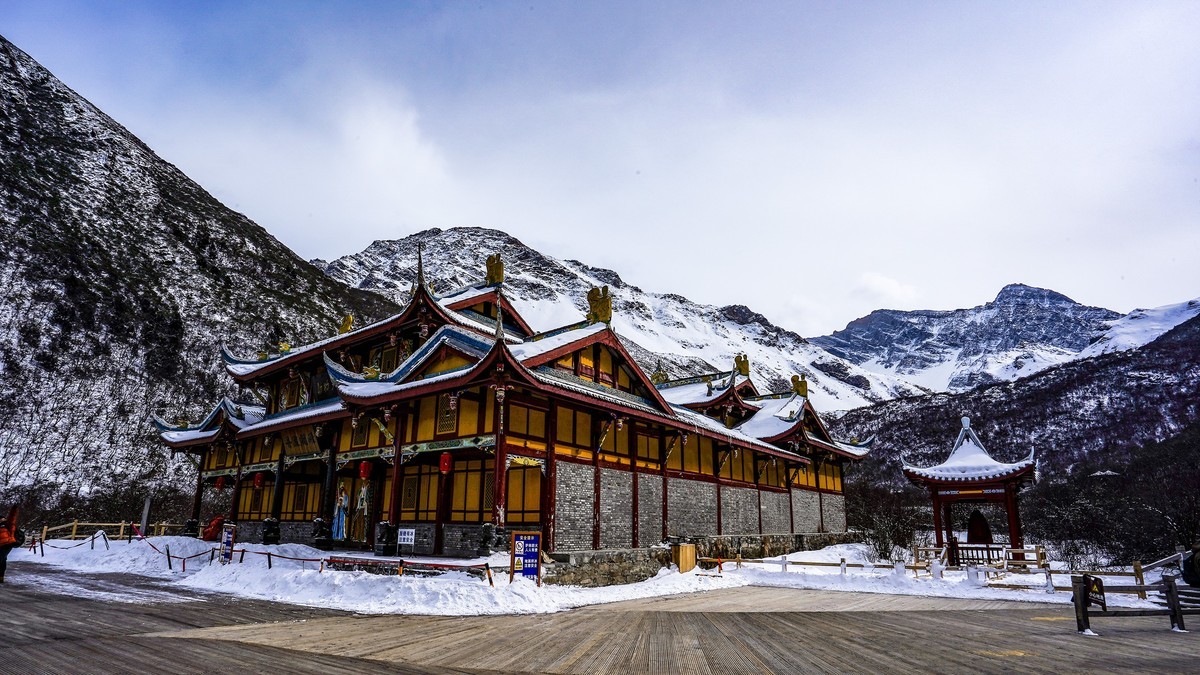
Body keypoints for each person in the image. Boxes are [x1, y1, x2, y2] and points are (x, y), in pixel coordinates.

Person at [0, 507, 19, 584]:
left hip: (7, 544)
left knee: (0, 559)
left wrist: (14, 509)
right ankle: (1, 577)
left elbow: (12, 517)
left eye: (2, 519)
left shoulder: (8, 524)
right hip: (1, 545)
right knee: (2, 561)